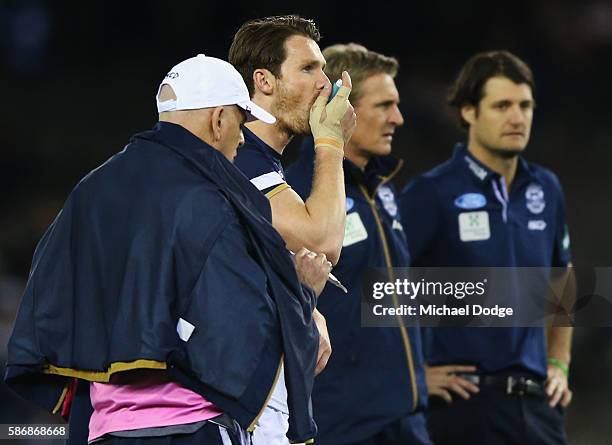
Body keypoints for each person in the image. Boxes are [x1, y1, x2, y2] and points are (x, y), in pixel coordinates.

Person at [5, 54, 332, 445]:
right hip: (191, 428)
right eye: (241, 122)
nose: (243, 137)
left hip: (105, 431)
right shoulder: (213, 199)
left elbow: (46, 306)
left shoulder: (89, 192)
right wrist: (305, 294)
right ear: (218, 120)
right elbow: (245, 332)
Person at [399, 50, 573, 445]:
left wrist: (559, 361)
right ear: (468, 112)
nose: (517, 117)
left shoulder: (546, 188)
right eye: (502, 106)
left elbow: (564, 276)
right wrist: (410, 376)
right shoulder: (432, 194)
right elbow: (382, 284)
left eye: (525, 105)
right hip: (462, 407)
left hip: (537, 407)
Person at [286, 43, 431, 445]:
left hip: (406, 420)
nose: (397, 118)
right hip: (342, 425)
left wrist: (424, 371)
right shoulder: (294, 195)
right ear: (342, 106)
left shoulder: (381, 191)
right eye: (384, 105)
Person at [228, 15, 356, 445]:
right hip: (236, 404)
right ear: (263, 80)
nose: (325, 84)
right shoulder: (241, 160)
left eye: (323, 69)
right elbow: (323, 240)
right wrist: (332, 140)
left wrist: (306, 305)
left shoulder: (265, 164)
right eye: (308, 69)